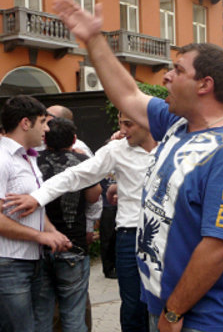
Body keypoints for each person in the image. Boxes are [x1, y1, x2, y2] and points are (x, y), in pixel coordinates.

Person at [52, 0, 223, 332]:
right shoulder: (177, 124)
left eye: (179, 70)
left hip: (203, 320)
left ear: (204, 85)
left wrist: (174, 312)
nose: (167, 76)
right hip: (167, 307)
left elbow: (220, 246)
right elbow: (127, 95)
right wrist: (93, 40)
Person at [5, 111, 157, 332]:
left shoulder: (172, 147)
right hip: (129, 235)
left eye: (128, 124)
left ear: (149, 122)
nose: (122, 130)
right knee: (133, 305)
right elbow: (76, 175)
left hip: (165, 234)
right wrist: (37, 198)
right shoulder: (116, 149)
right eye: (120, 123)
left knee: (162, 303)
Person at [0, 95, 71, 332]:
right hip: (8, 264)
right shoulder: (2, 158)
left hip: (32, 262)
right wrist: (40, 236)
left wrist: (52, 232)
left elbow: (33, 206)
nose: (48, 128)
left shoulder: (29, 157)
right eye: (43, 122)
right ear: (25, 123)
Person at [33, 117, 101, 332]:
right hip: (73, 244)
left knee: (42, 313)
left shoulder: (33, 161)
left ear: (44, 138)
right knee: (73, 313)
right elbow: (93, 197)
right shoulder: (81, 162)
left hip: (39, 244)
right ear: (74, 139)